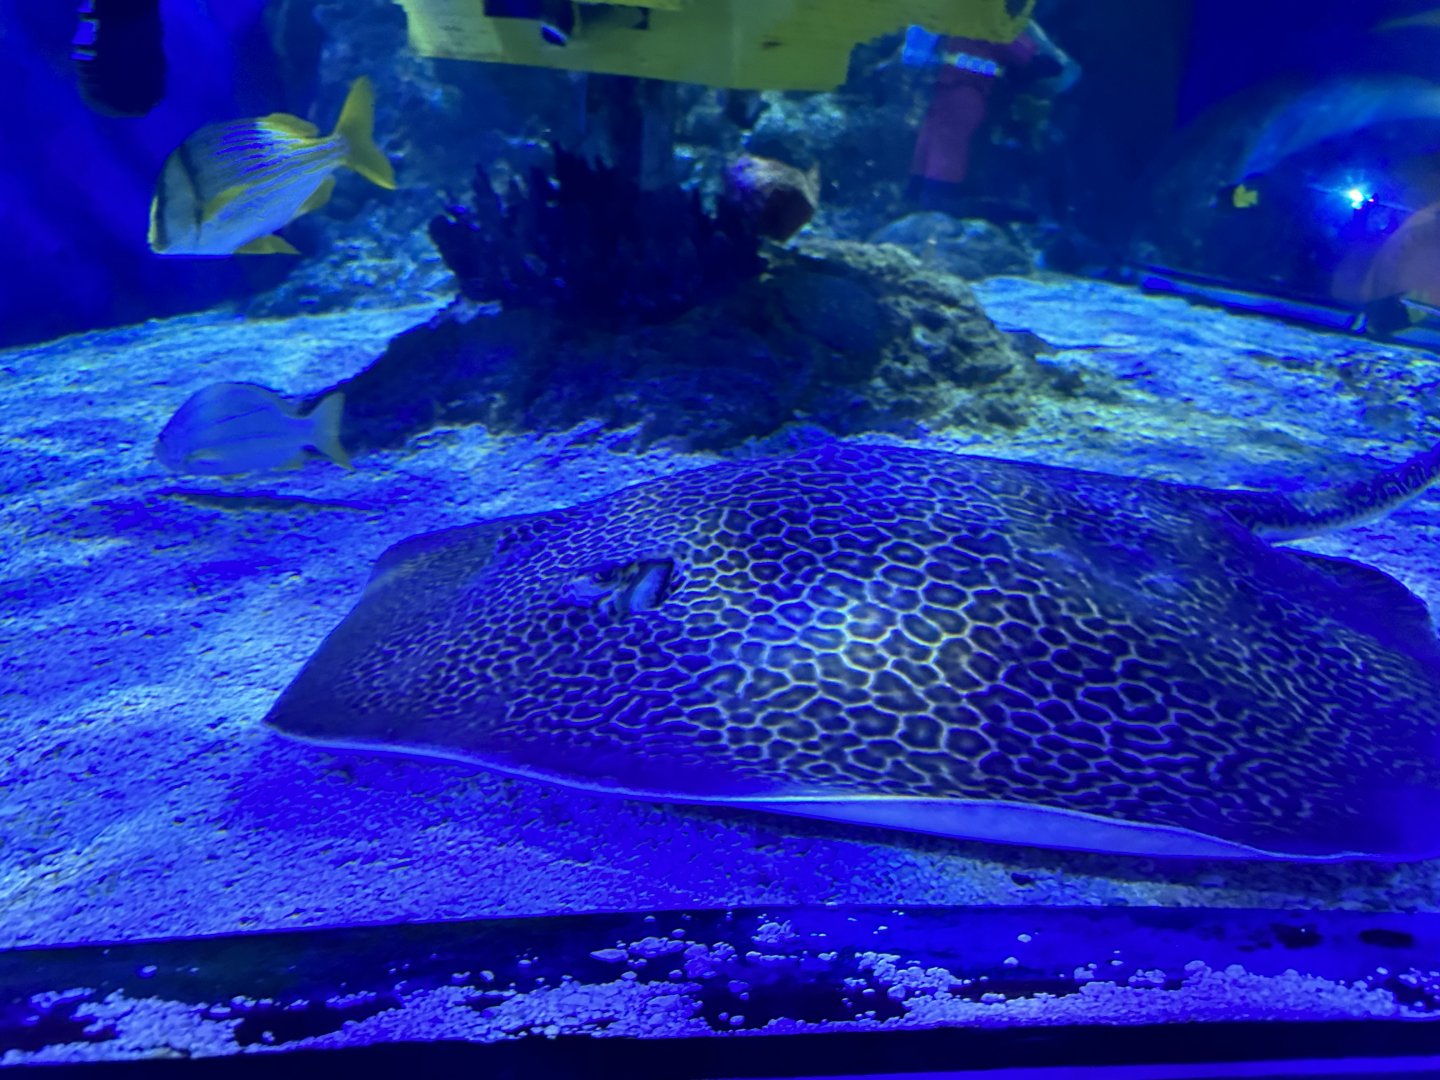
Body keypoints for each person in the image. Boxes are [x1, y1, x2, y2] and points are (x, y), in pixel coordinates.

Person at [905, 21, 1078, 216]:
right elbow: (1017, 48)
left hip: (939, 87)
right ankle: (938, 200)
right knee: (951, 144)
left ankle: (914, 195)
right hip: (967, 89)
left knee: (930, 138)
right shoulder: (989, 17)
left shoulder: (954, 16)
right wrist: (1037, 61)